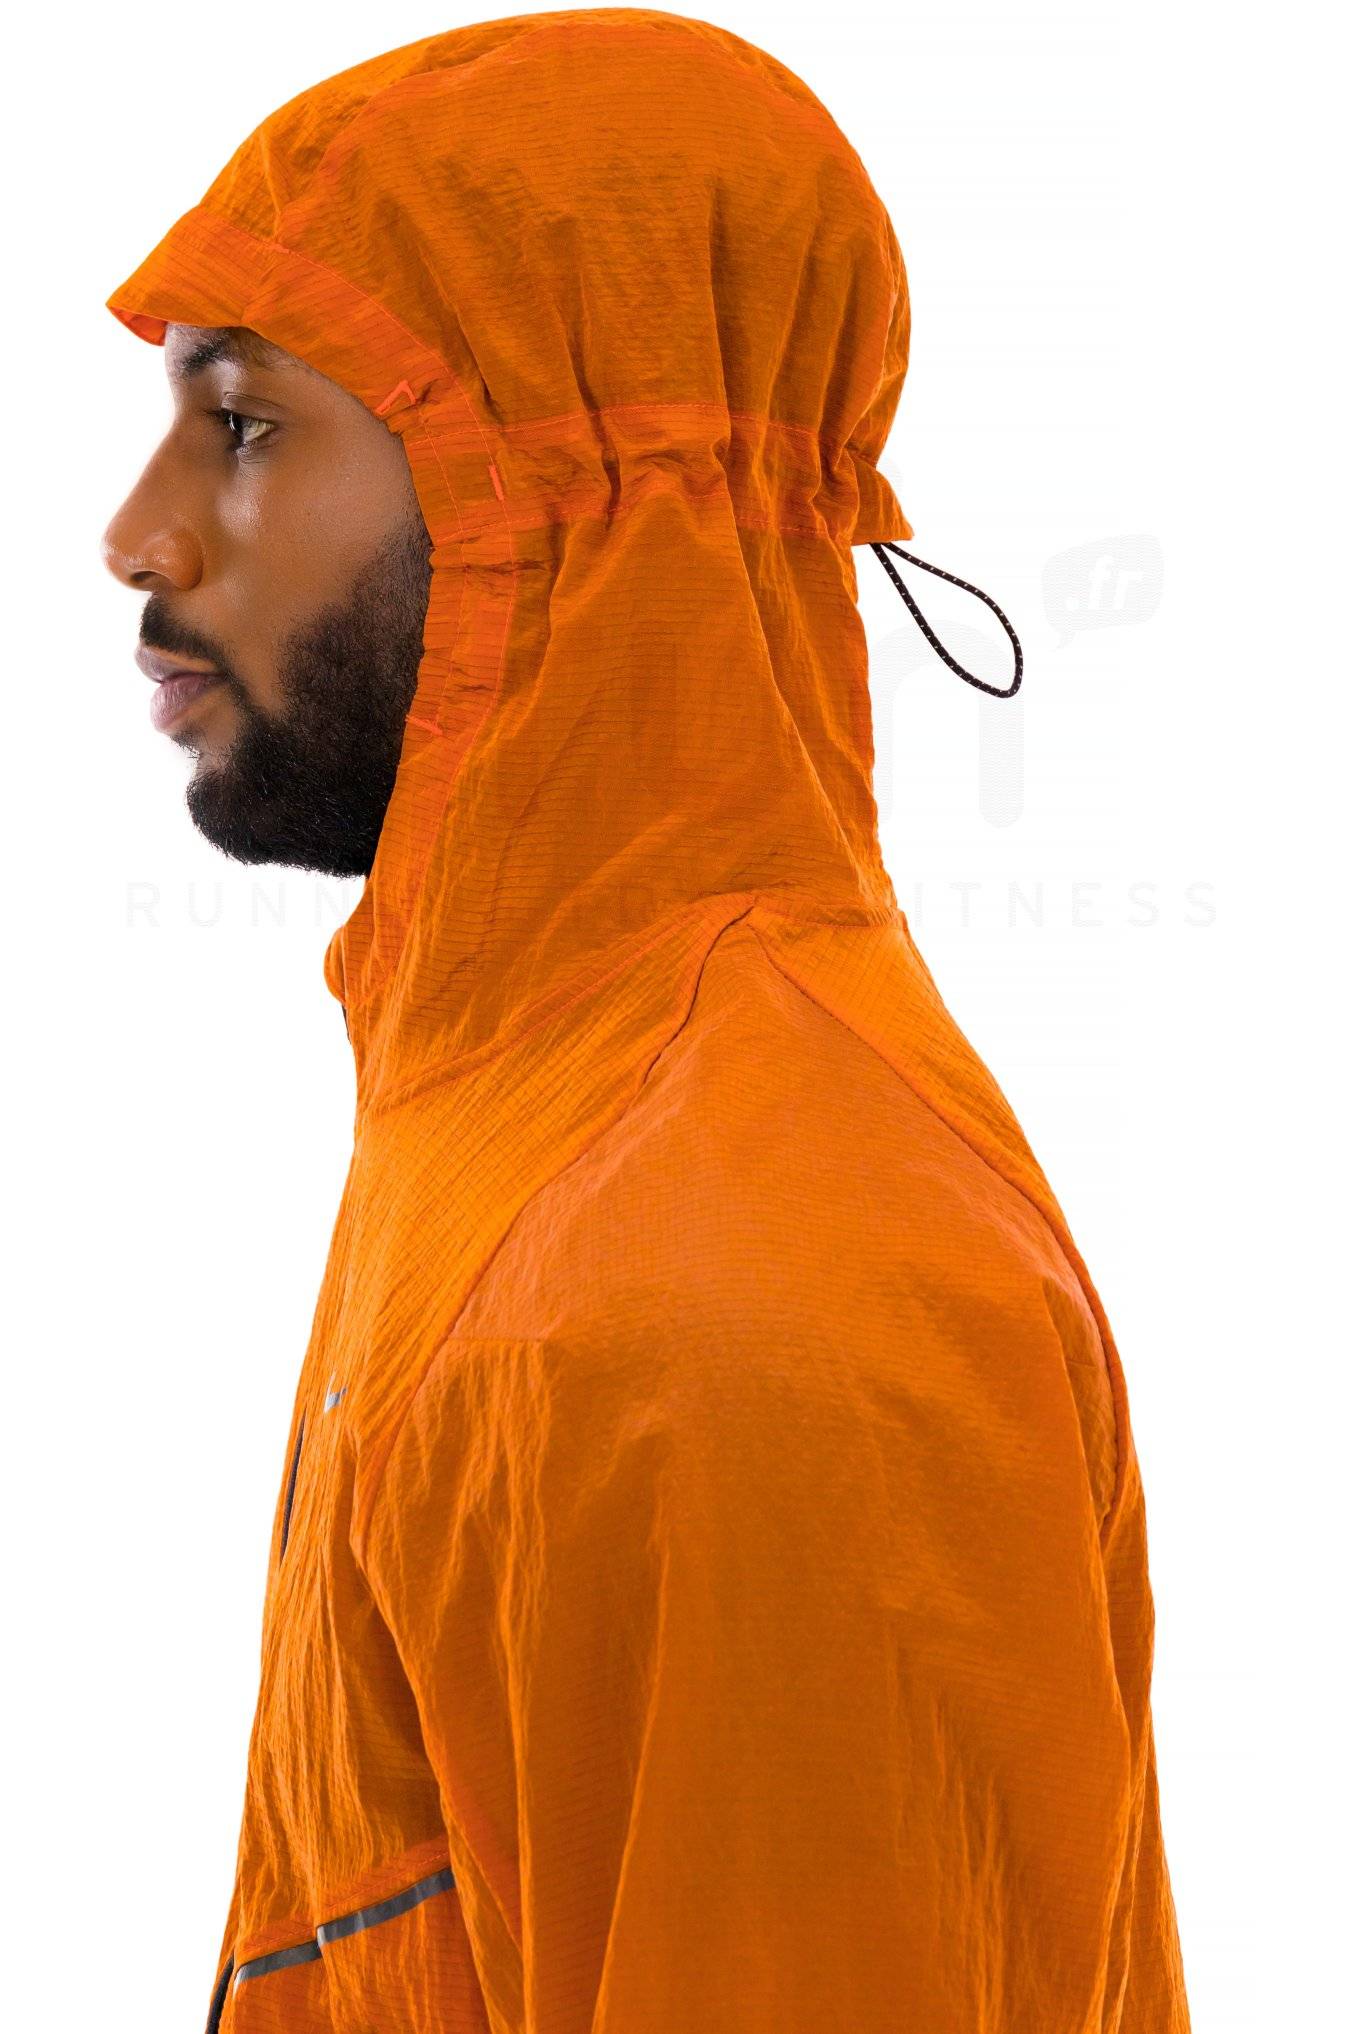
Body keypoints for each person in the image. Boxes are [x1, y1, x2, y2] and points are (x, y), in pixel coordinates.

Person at [100, 13, 1191, 2032]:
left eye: (242, 426)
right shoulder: (539, 1104)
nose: (136, 536)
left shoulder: (740, 1280)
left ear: (570, 495)